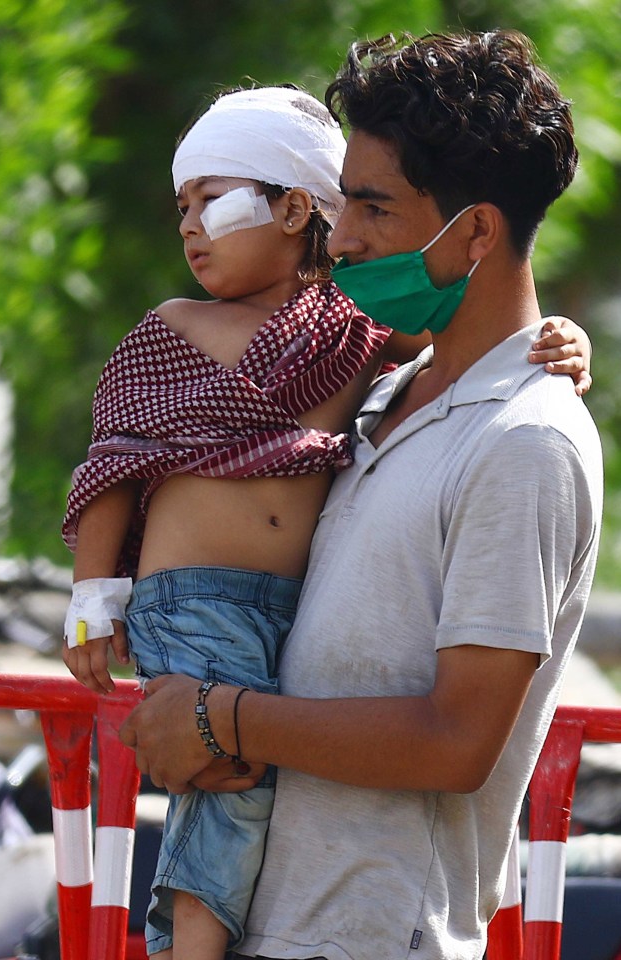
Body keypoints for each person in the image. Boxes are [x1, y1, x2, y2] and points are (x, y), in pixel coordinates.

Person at [118, 29, 604, 960]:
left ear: (474, 232)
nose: (338, 240)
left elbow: (457, 743)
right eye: (344, 205)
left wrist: (216, 715)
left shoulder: (525, 442)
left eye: (374, 210)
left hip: (374, 937)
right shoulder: (373, 396)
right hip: (265, 923)